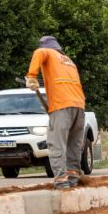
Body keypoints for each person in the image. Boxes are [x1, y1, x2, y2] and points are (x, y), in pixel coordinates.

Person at [26, 36, 86, 189]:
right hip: (79, 106)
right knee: (74, 145)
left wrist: (32, 77)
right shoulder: (69, 61)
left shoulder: (47, 52)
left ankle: (60, 180)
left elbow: (39, 52)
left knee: (56, 144)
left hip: (61, 106)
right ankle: (72, 178)